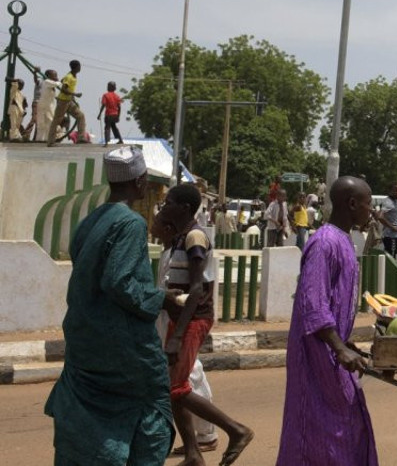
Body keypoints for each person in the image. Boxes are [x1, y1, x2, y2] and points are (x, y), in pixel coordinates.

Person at [44, 145, 177, 465]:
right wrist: (163, 299)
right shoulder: (130, 224)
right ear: (141, 182)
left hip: (86, 345)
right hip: (124, 351)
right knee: (151, 418)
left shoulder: (88, 222)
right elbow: (120, 283)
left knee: (86, 422)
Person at [277, 176, 378, 465]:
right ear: (352, 203)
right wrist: (338, 347)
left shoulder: (343, 240)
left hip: (331, 349)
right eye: (368, 204)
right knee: (318, 428)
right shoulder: (323, 243)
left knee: (347, 421)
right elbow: (313, 301)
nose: (370, 210)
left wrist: (346, 343)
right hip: (315, 353)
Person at [155, 184, 253, 465]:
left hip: (193, 319)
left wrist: (178, 336)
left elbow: (197, 289)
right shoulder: (180, 238)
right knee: (174, 387)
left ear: (184, 208)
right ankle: (193, 453)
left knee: (176, 387)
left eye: (169, 202)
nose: (164, 206)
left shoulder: (195, 236)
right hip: (180, 318)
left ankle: (236, 430)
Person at [46, 59, 89, 145]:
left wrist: (72, 96)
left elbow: (62, 81)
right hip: (63, 101)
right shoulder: (69, 77)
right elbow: (63, 89)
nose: (80, 68)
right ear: (76, 67)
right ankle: (50, 141)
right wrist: (75, 94)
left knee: (80, 116)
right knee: (57, 120)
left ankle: (81, 138)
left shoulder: (71, 76)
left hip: (69, 101)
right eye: (79, 66)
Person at [375, 186, 397, 254]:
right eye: (395, 190)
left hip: (396, 236)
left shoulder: (395, 201)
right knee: (392, 258)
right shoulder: (388, 202)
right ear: (390, 191)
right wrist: (392, 227)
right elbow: (380, 217)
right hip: (391, 236)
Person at [33, 68, 59, 142]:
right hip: (44, 105)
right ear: (48, 76)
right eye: (54, 75)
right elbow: (57, 83)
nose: (56, 77)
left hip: (48, 106)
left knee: (48, 123)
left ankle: (45, 138)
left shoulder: (51, 85)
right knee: (42, 123)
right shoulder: (47, 82)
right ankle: (40, 139)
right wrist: (59, 81)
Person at [97, 81, 125, 145]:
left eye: (108, 86)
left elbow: (103, 105)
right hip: (115, 115)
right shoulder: (117, 96)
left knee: (107, 127)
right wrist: (118, 116)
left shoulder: (105, 95)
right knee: (114, 127)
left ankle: (106, 142)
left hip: (109, 115)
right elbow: (119, 107)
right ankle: (120, 140)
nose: (107, 87)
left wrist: (99, 114)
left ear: (110, 87)